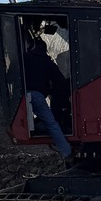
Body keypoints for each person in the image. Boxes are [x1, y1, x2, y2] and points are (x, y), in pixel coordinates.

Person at [24, 37, 74, 165]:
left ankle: (37, 127)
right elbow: (60, 80)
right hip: (37, 96)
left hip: (23, 95)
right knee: (52, 123)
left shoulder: (25, 58)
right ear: (45, 49)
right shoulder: (46, 62)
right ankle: (67, 152)